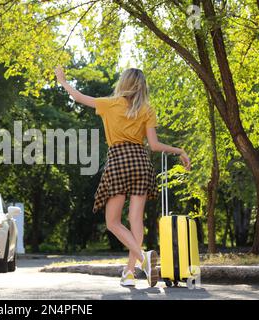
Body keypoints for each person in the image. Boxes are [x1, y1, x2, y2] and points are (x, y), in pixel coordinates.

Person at [55, 66, 191, 287]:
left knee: (113, 222)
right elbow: (154, 145)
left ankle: (142, 258)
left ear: (123, 83)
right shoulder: (147, 109)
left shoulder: (110, 104)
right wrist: (179, 151)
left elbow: (78, 97)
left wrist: (62, 80)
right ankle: (129, 273)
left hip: (119, 161)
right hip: (140, 161)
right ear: (142, 86)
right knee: (136, 219)